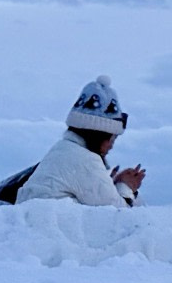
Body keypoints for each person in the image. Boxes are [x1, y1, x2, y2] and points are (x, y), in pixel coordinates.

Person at [15, 75, 146, 207]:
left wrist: (110, 185)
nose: (111, 146)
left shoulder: (63, 149)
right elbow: (116, 212)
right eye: (112, 138)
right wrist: (127, 188)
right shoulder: (85, 160)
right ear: (98, 135)